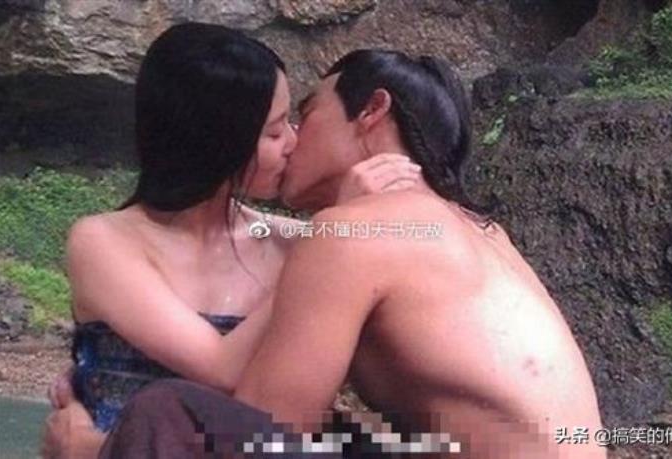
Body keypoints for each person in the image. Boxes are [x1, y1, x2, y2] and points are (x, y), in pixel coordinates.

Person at [96, 50, 607, 459]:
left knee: (171, 415)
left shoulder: (352, 231)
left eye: (306, 114)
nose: (292, 140)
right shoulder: (480, 230)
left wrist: (95, 443)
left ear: (372, 111)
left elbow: (263, 426)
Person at [40, 25, 421, 459]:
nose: (293, 143)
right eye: (274, 132)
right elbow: (220, 369)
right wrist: (326, 239)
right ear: (218, 142)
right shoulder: (103, 241)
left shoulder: (288, 241)